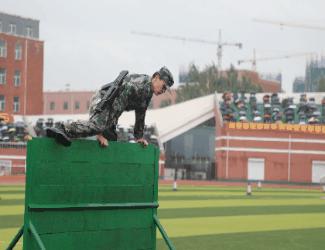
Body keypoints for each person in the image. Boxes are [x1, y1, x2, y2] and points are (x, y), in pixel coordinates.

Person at [46, 66, 174, 147]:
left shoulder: (147, 92)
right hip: (103, 99)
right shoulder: (139, 86)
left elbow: (141, 114)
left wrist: (139, 137)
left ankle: (66, 136)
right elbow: (118, 104)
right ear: (156, 78)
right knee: (98, 127)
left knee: (111, 140)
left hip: (112, 106)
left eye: (165, 90)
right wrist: (100, 132)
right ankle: (63, 129)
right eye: (163, 86)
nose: (163, 91)